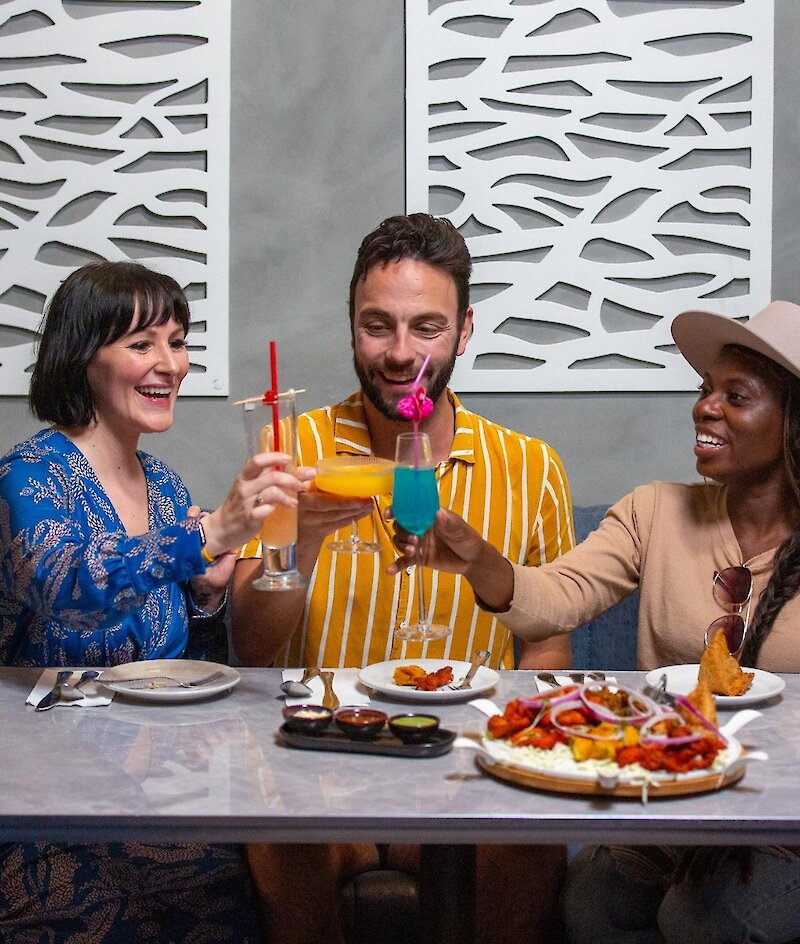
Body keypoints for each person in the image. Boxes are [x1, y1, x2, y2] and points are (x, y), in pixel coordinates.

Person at [391, 299, 800, 944]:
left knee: (704, 918)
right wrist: (477, 561)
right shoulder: (654, 511)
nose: (705, 407)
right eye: (705, 390)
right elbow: (557, 595)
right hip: (679, 802)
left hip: (789, 821)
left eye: (736, 396)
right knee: (594, 900)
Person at [235, 213, 574, 944]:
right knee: (283, 838)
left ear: (464, 329)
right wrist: (300, 550)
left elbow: (546, 651)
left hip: (466, 764)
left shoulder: (531, 468)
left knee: (528, 840)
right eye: (376, 325)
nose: (398, 352)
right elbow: (251, 645)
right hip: (319, 754)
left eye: (426, 327)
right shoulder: (293, 449)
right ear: (351, 325)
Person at [0, 260, 309, 943]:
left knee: (231, 903)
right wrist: (210, 535)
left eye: (177, 340)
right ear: (83, 358)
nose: (168, 362)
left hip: (154, 798)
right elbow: (66, 586)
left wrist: (205, 596)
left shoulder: (166, 488)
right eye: (142, 343)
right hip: (38, 808)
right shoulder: (29, 476)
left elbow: (180, 663)